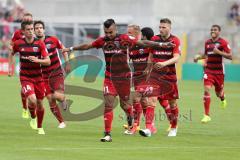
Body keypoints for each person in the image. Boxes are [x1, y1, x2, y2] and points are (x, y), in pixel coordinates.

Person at [62, 19, 163, 142]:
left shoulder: (124, 38)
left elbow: (142, 43)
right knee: (108, 104)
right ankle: (107, 134)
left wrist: (162, 45)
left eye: (110, 32)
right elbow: (88, 45)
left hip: (124, 78)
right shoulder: (103, 40)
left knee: (125, 105)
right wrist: (71, 48)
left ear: (115, 29)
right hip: (109, 77)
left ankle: (130, 116)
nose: (108, 35)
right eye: (106, 32)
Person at [139, 18, 181, 137]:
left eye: (164, 27)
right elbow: (151, 56)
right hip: (155, 76)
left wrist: (164, 63)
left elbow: (177, 57)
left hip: (170, 76)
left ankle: (173, 127)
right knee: (151, 100)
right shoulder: (154, 39)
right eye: (160, 27)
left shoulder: (175, 40)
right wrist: (147, 69)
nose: (161, 29)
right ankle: (148, 128)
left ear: (169, 28)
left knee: (172, 104)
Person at [9, 21, 51, 134]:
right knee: (32, 99)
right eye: (28, 29)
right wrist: (10, 67)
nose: (31, 31)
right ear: (23, 31)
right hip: (25, 77)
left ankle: (40, 126)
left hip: (38, 78)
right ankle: (33, 117)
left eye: (32, 29)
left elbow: (48, 61)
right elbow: (11, 52)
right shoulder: (18, 43)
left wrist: (37, 60)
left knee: (40, 103)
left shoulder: (40, 44)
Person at [34, 20, 70, 128]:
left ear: (44, 29)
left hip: (56, 72)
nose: (39, 30)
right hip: (43, 76)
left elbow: (64, 49)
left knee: (57, 96)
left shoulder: (53, 40)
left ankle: (63, 99)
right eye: (36, 28)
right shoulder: (33, 45)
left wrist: (67, 63)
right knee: (50, 99)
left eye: (40, 27)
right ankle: (61, 122)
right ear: (34, 31)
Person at [193, 24, 232, 123]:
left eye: (215, 30)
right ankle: (206, 115)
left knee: (218, 93)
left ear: (219, 31)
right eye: (211, 30)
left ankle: (223, 98)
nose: (212, 31)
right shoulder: (207, 42)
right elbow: (206, 55)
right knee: (206, 90)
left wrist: (219, 52)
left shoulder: (223, 42)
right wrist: (198, 58)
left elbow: (230, 56)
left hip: (219, 72)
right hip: (209, 70)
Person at [8, 12, 33, 119]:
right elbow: (11, 47)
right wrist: (11, 68)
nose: (27, 21)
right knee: (24, 89)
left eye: (29, 20)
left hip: (38, 66)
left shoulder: (36, 32)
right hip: (24, 66)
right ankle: (25, 108)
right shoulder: (17, 33)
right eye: (25, 20)